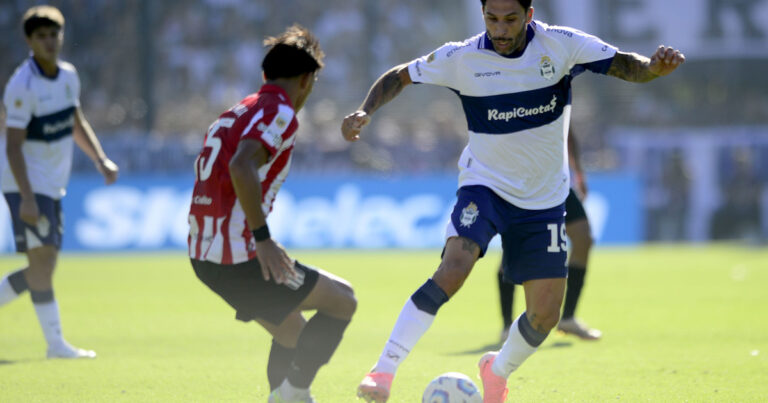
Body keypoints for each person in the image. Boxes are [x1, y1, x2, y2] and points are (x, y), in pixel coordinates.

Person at [341, 0, 684, 401]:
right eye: (491, 19)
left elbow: (626, 64)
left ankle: (496, 369)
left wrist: (653, 69)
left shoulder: (562, 46)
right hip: (485, 186)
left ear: (529, 15)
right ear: (482, 15)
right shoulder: (462, 57)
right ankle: (382, 372)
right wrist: (364, 111)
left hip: (543, 199)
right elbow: (400, 75)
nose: (500, 29)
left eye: (510, 19)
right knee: (453, 268)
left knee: (544, 316)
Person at [187, 25, 356, 403]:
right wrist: (262, 239)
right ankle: (295, 395)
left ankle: (285, 396)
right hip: (236, 254)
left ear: (265, 75)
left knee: (292, 332)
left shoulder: (238, 109)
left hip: (204, 253)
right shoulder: (280, 111)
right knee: (342, 300)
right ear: (306, 80)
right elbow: (241, 166)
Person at [0, 5, 119, 359]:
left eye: (54, 35)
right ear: (29, 41)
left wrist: (100, 158)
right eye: (42, 37)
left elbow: (75, 121)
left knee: (43, 265)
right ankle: (55, 344)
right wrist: (26, 197)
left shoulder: (68, 76)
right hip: (27, 184)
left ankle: (55, 344)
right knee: (44, 264)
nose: (50, 42)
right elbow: (14, 146)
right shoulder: (22, 87)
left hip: (52, 183)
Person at [497, 131, 601, 343]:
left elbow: (568, 130)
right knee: (514, 248)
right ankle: (507, 325)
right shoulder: (513, 99)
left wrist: (578, 171)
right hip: (519, 179)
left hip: (555, 179)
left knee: (583, 238)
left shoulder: (558, 99)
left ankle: (568, 318)